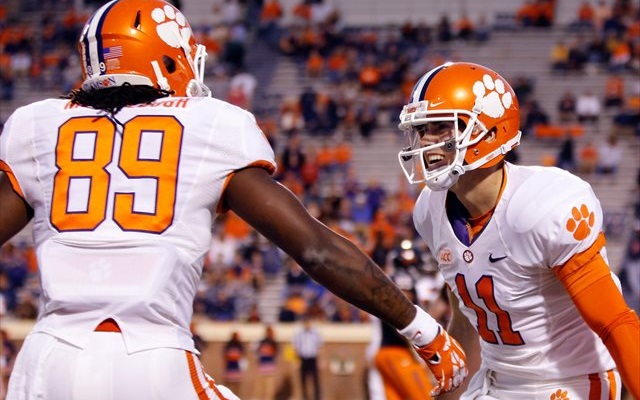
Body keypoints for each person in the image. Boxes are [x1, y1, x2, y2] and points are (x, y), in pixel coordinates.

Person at [0, 1, 467, 399]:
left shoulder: (35, 126)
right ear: (166, 60)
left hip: (46, 361)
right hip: (150, 357)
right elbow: (315, 248)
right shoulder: (207, 124)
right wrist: (421, 329)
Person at [396, 61, 640, 400]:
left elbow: (613, 321)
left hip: (570, 384)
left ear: (491, 132)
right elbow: (468, 315)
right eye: (422, 130)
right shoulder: (429, 210)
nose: (427, 142)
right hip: (495, 383)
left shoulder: (541, 206)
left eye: (442, 127)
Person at [291, 317, 323, 400]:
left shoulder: (315, 333)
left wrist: (320, 360)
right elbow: (296, 348)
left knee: (315, 379)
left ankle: (317, 397)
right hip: (303, 358)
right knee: (303, 379)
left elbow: (319, 346)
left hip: (312, 358)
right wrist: (296, 361)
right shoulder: (299, 334)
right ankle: (304, 396)